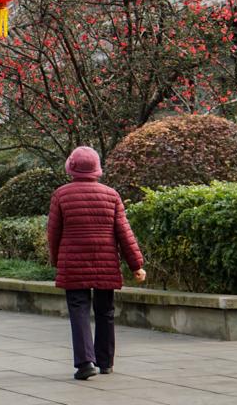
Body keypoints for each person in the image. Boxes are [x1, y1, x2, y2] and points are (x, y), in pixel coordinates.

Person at [47, 146, 146, 381]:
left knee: (79, 310)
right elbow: (124, 232)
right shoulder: (111, 195)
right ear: (96, 168)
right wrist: (136, 265)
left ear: (71, 167)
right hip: (106, 260)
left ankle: (85, 363)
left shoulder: (61, 194)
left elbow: (53, 233)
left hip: (73, 261)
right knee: (105, 311)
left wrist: (56, 260)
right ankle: (105, 361)